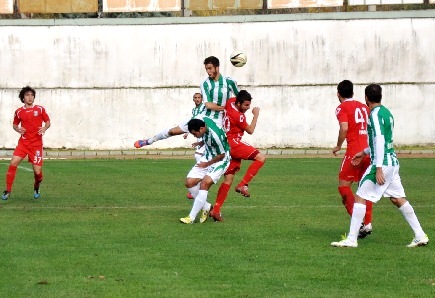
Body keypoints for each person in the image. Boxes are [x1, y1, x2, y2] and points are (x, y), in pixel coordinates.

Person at [331, 84, 429, 248]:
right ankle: (420, 235)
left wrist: (377, 169)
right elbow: (384, 139)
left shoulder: (375, 115)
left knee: (361, 196)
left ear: (366, 98)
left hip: (382, 163)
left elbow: (380, 140)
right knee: (397, 199)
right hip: (392, 162)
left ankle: (352, 239)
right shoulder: (387, 113)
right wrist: (364, 151)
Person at [209, 90, 266, 222]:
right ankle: (243, 184)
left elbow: (234, 94)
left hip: (226, 145)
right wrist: (256, 115)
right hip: (234, 143)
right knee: (261, 158)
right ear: (239, 103)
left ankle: (216, 210)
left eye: (249, 105)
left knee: (228, 179)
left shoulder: (230, 103)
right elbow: (250, 131)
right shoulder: (239, 116)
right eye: (245, 105)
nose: (248, 108)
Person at [332, 80, 373, 238]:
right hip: (368, 152)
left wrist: (338, 146)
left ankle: (360, 223)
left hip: (354, 152)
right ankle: (367, 223)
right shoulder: (364, 107)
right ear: (353, 93)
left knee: (343, 186)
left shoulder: (341, 107)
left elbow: (344, 127)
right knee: (365, 189)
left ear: (338, 94)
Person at [2, 86, 51, 200]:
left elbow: (48, 122)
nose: (30, 97)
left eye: (31, 95)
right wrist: (17, 129)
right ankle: (8, 190)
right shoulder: (19, 112)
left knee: (37, 172)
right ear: (23, 98)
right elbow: (14, 125)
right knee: (13, 162)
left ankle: (36, 186)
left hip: (36, 145)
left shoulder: (39, 109)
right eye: (27, 95)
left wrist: (44, 128)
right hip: (23, 143)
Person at [180, 117, 231, 224]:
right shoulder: (205, 121)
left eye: (195, 134)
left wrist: (207, 164)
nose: (194, 136)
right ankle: (206, 207)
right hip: (207, 156)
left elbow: (221, 155)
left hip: (220, 160)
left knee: (204, 184)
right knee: (189, 183)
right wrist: (200, 143)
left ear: (202, 129)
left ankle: (191, 217)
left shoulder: (216, 137)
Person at [134, 92, 206, 148]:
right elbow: (195, 122)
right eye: (195, 98)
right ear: (193, 99)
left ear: (202, 99)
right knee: (172, 131)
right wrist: (189, 131)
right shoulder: (194, 110)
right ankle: (149, 141)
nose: (197, 99)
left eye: (199, 97)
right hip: (193, 123)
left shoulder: (205, 107)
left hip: (203, 125)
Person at [201, 56, 240, 127]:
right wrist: (227, 108)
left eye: (210, 68)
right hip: (210, 118)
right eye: (206, 69)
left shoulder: (229, 82)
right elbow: (208, 105)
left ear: (217, 68)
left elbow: (241, 98)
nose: (208, 71)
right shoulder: (205, 84)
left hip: (226, 119)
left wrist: (236, 110)